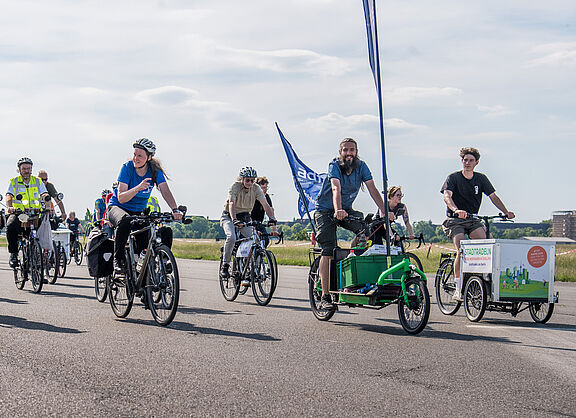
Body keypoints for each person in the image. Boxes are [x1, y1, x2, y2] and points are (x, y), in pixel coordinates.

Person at [315, 138, 388, 310]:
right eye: (345, 150)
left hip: (346, 209)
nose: (349, 153)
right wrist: (337, 209)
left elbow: (372, 189)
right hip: (326, 210)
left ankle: (350, 259)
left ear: (356, 152)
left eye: (352, 150)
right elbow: (336, 188)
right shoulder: (334, 166)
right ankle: (325, 296)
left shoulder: (361, 166)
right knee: (328, 250)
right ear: (340, 152)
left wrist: (384, 210)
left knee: (364, 229)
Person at [441, 147, 515, 301]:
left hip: (473, 219)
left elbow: (493, 196)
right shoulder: (453, 178)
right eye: (464, 160)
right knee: (462, 250)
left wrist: (506, 212)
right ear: (461, 161)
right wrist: (456, 209)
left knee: (490, 244)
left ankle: (486, 280)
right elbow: (447, 196)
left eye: (470, 160)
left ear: (476, 163)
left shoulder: (481, 179)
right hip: (455, 220)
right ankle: (458, 288)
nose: (467, 163)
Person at [106, 138, 182, 274]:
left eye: (140, 155)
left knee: (164, 233)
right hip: (118, 208)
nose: (136, 158)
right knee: (125, 221)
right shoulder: (127, 168)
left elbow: (165, 190)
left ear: (149, 157)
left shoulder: (154, 171)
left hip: (138, 212)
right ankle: (118, 261)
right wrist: (137, 188)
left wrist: (175, 209)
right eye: (135, 154)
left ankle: (161, 264)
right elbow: (121, 197)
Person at [220, 167, 277, 285]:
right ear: (242, 179)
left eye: (252, 180)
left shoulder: (256, 189)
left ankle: (247, 269)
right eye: (247, 180)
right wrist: (234, 219)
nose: (250, 183)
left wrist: (272, 219)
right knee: (232, 237)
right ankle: (225, 265)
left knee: (254, 239)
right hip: (229, 216)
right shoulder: (235, 187)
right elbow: (231, 203)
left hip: (245, 216)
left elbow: (266, 205)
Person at [5, 157, 49, 267]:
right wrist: (10, 207)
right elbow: (9, 196)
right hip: (20, 214)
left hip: (35, 213)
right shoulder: (14, 181)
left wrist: (47, 203)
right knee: (10, 226)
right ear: (19, 170)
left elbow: (44, 194)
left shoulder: (38, 181)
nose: (26, 171)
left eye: (29, 168)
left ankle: (40, 267)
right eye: (24, 168)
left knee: (48, 226)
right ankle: (14, 254)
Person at [251, 177, 274, 248]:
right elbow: (248, 213)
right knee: (250, 241)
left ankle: (261, 256)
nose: (265, 190)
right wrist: (253, 229)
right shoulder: (252, 197)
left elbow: (271, 211)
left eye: (266, 187)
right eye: (263, 188)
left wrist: (274, 229)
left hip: (259, 223)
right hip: (249, 222)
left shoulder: (266, 197)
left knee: (266, 240)